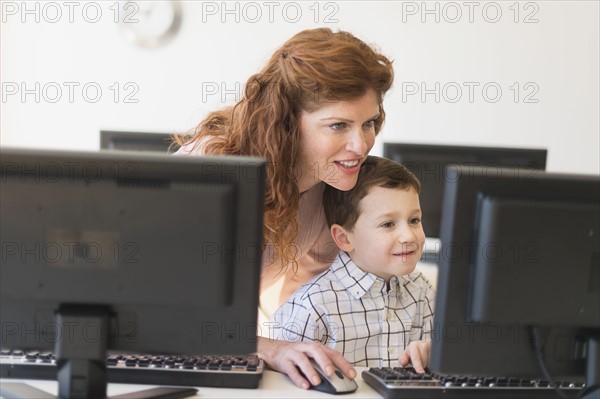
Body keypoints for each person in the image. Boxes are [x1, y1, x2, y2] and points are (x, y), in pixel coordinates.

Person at [174, 28, 394, 389]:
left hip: (218, 354)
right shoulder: (213, 168)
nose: (361, 144)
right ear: (288, 123)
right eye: (338, 125)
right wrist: (271, 349)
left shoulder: (332, 188)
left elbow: (305, 296)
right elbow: (168, 314)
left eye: (368, 123)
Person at [268, 156, 435, 371]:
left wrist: (435, 356)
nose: (408, 236)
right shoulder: (312, 306)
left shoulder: (422, 290)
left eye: (414, 220)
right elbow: (282, 385)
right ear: (345, 238)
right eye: (388, 224)